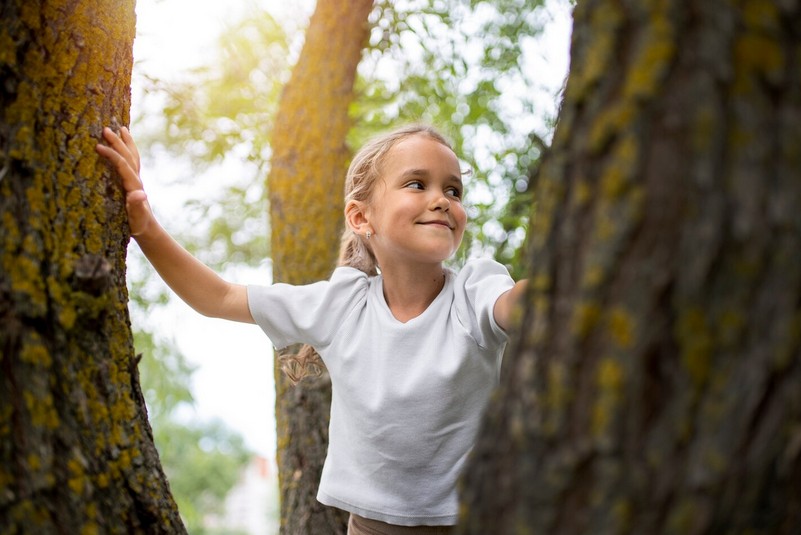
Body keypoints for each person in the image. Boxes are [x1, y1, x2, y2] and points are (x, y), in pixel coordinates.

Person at [96, 123, 527, 534]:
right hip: (373, 529)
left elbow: (520, 305)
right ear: (361, 218)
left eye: (453, 189)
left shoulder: (474, 290)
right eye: (418, 184)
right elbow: (220, 298)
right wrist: (146, 226)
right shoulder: (342, 305)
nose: (442, 199)